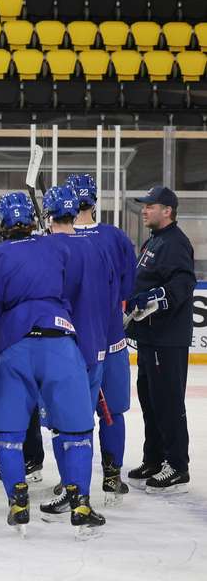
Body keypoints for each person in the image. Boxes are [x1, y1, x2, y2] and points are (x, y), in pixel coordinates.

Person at [0, 191, 105, 540]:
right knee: (75, 428)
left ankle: (18, 500)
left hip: (14, 345)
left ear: (1, 224)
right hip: (60, 341)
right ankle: (79, 503)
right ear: (34, 220)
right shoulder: (57, 247)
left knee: (10, 431)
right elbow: (76, 291)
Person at [37, 184, 115, 519]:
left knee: (59, 423)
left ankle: (71, 489)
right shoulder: (97, 248)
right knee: (83, 423)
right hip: (95, 345)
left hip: (62, 348)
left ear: (49, 214)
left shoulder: (47, 250)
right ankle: (80, 495)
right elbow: (114, 295)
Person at [67, 173, 138, 503]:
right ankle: (112, 477)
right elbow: (127, 288)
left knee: (71, 415)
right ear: (95, 200)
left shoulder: (57, 239)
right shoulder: (115, 237)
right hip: (111, 340)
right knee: (114, 411)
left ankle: (74, 481)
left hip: (71, 345)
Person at [125, 186, 196, 494]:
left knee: (167, 401)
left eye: (150, 206)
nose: (144, 210)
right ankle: (154, 458)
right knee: (150, 400)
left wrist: (156, 298)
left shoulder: (176, 243)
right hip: (150, 337)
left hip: (167, 339)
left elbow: (183, 282)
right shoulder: (155, 240)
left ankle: (177, 465)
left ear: (167, 210)